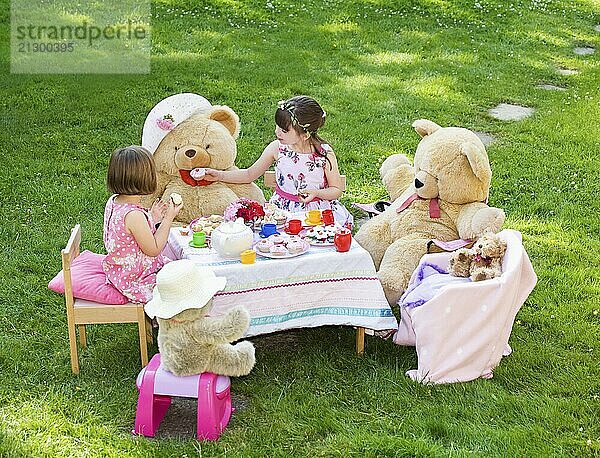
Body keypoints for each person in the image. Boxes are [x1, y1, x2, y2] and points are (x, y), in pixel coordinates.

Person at [204, 96, 353, 227]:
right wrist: (219, 175)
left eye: (284, 130)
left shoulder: (323, 154)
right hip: (282, 212)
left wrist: (316, 192)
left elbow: (336, 190)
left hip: (317, 214)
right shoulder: (278, 148)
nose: (277, 132)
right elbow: (249, 174)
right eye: (277, 126)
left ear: (305, 135)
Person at [103, 145, 183, 303]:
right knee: (180, 284)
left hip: (119, 269)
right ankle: (166, 319)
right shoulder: (134, 215)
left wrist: (152, 218)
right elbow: (153, 249)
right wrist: (168, 218)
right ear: (145, 179)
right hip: (135, 278)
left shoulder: (114, 202)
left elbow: (128, 235)